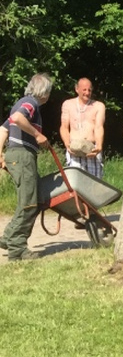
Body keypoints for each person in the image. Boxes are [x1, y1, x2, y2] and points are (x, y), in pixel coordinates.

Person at [0, 73, 53, 260]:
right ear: (44, 92)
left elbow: (3, 128)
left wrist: (0, 153)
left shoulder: (22, 101)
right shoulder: (31, 103)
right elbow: (17, 118)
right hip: (22, 155)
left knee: (35, 199)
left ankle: (8, 237)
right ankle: (17, 248)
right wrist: (38, 135)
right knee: (29, 202)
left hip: (17, 154)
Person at [60, 77, 106, 178]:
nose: (87, 92)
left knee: (94, 182)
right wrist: (67, 144)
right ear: (77, 89)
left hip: (92, 148)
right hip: (74, 148)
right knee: (76, 182)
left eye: (89, 90)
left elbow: (99, 127)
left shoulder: (99, 106)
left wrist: (99, 146)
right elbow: (64, 127)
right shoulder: (68, 104)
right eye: (84, 89)